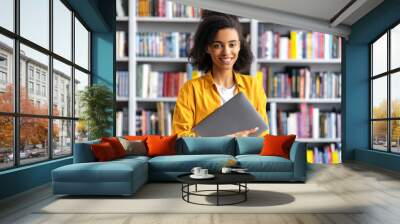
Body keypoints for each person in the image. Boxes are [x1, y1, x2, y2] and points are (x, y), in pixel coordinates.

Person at [172, 11, 269, 137]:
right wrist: (224, 140)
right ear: (208, 48)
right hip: (205, 157)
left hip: (246, 156)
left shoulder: (253, 86)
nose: (226, 52)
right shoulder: (191, 89)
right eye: (218, 45)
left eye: (232, 44)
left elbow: (263, 134)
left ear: (239, 46)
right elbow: (180, 137)